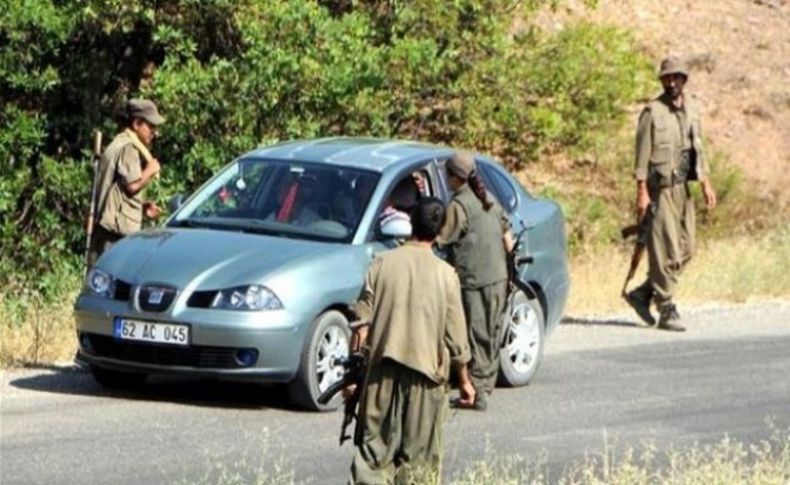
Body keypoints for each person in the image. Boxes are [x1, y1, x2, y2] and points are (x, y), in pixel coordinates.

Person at [347, 197, 475, 485]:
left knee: (372, 459)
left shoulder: (381, 264)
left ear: (410, 224)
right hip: (425, 379)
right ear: (440, 230)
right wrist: (465, 381)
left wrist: (354, 376)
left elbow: (361, 323)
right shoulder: (446, 275)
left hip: (381, 374)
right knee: (418, 465)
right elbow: (456, 338)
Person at [625, 56, 717, 332]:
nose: (671, 82)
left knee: (687, 248)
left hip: (683, 188)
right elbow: (641, 155)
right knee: (664, 249)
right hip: (660, 189)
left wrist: (705, 183)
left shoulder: (691, 109)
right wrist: (642, 191)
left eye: (676, 77)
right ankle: (666, 307)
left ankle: (643, 293)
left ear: (684, 80)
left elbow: (697, 148)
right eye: (667, 78)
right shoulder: (652, 112)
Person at [437, 151, 513, 411]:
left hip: (475, 279)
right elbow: (507, 236)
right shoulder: (487, 198)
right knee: (490, 332)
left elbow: (442, 239)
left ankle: (477, 392)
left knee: (476, 332)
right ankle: (485, 382)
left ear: (454, 177)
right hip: (498, 276)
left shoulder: (459, 206)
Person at [88, 98, 165, 266]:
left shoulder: (118, 142)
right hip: (114, 235)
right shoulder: (129, 147)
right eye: (151, 126)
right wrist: (150, 170)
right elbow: (132, 186)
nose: (154, 132)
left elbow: (119, 190)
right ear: (137, 123)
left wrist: (142, 206)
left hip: (106, 230)